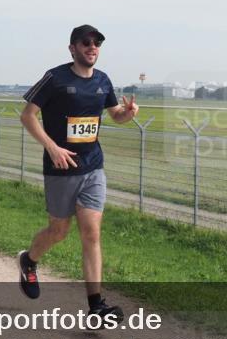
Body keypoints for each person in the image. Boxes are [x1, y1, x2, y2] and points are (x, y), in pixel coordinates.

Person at [17, 25, 138, 321]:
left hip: (93, 166)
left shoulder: (103, 80)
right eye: (86, 42)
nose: (92, 47)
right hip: (61, 169)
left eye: (97, 43)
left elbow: (115, 115)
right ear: (72, 48)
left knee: (91, 233)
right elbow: (27, 115)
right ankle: (29, 261)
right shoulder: (55, 78)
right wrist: (52, 148)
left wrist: (128, 114)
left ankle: (96, 306)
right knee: (58, 232)